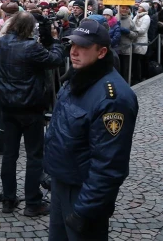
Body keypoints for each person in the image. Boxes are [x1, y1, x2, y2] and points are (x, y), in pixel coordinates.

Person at [45, 19, 138, 241]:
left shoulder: (112, 98)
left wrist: (85, 209)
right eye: (72, 45)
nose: (74, 52)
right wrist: (52, 170)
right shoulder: (79, 77)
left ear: (102, 52)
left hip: (83, 193)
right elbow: (61, 130)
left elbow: (109, 164)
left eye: (83, 47)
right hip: (62, 183)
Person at [0, 11, 64, 216]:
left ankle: (9, 198)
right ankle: (33, 202)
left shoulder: (0, 43)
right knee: (34, 155)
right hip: (30, 107)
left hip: (7, 105)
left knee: (9, 154)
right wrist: (55, 41)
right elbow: (55, 59)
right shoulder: (31, 47)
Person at [118, 5, 138, 82]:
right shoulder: (115, 19)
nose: (124, 10)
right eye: (123, 8)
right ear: (119, 8)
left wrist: (128, 32)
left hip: (126, 50)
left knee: (125, 70)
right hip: (115, 48)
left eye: (126, 9)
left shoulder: (130, 21)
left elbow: (136, 35)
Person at [132, 2, 151, 84]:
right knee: (134, 60)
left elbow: (142, 30)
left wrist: (133, 29)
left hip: (141, 40)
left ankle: (138, 78)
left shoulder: (146, 17)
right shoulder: (137, 15)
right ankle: (135, 76)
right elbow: (132, 23)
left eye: (141, 7)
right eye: (139, 6)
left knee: (137, 59)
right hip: (134, 39)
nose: (139, 8)